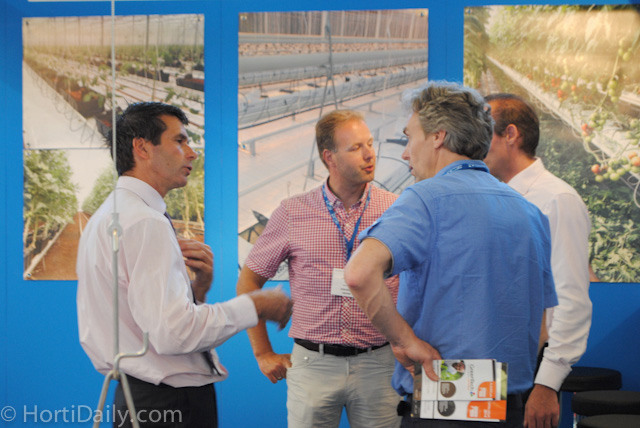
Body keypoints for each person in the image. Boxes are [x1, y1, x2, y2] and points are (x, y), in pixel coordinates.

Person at [343, 82, 558, 428]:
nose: (405, 153)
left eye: (409, 138)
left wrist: (405, 341)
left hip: (443, 396)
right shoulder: (530, 213)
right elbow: (542, 327)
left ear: (438, 137)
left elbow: (358, 273)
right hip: (509, 403)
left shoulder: (424, 199)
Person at [76, 102, 292, 428]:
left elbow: (146, 319)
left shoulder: (110, 215)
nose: (192, 153)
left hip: (141, 397)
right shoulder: (145, 221)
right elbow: (174, 334)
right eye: (180, 141)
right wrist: (255, 305)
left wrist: (196, 291)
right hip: (169, 403)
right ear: (142, 148)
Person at [236, 109, 401, 428]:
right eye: (356, 147)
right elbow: (248, 281)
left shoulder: (395, 210)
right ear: (329, 157)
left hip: (379, 364)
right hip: (313, 364)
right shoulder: (293, 212)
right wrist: (262, 353)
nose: (369, 154)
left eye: (370, 143)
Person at [483, 93, 592, 428]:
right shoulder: (491, 196)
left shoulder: (556, 199)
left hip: (530, 367)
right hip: (489, 362)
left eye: (482, 132)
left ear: (510, 135)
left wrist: (547, 383)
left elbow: (570, 299)